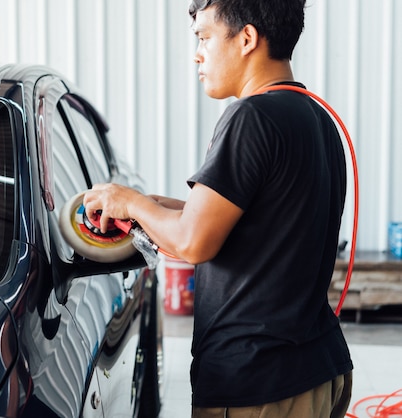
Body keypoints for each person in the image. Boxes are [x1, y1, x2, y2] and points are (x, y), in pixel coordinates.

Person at [82, 0, 354, 416]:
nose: (197, 53)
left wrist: (131, 200)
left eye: (205, 37)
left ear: (247, 38)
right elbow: (258, 220)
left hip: (258, 385)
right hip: (318, 369)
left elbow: (194, 241)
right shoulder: (316, 119)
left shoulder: (250, 117)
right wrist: (149, 208)